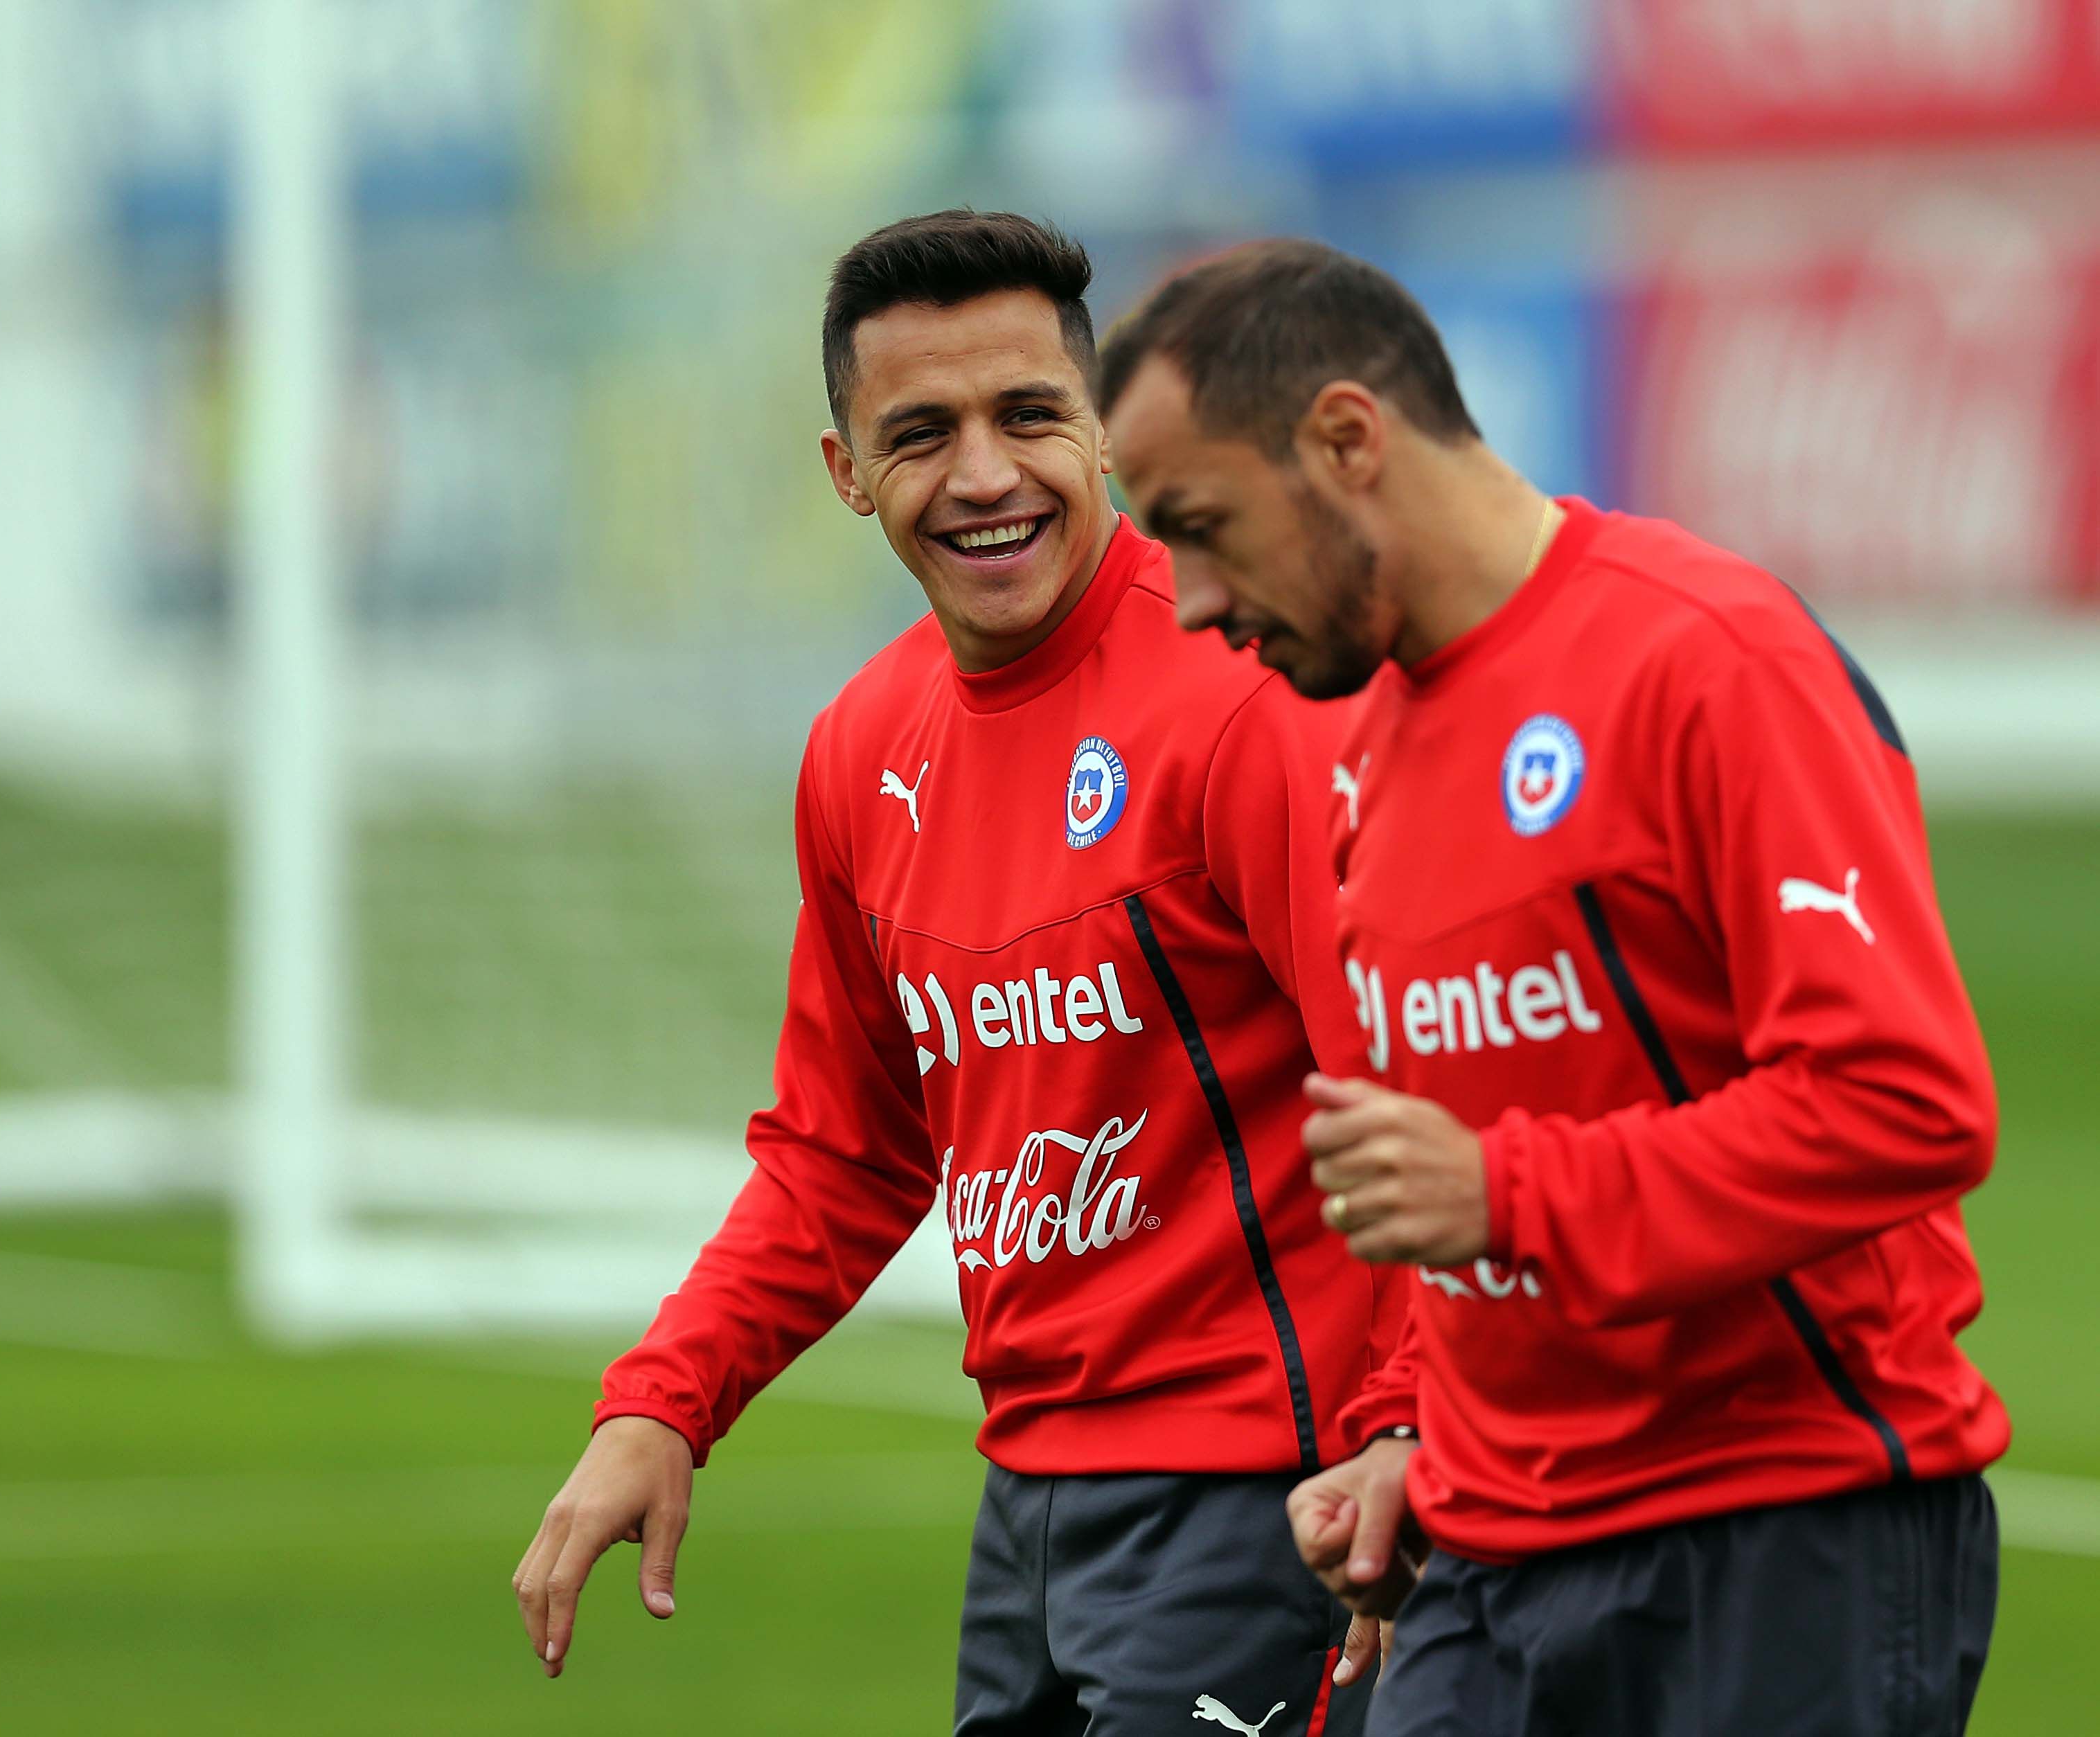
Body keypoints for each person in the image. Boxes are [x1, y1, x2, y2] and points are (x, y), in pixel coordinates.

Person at [513, 211, 1414, 1735]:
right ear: (846, 473)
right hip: (1031, 1511)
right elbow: (843, 1154)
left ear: (1109, 434)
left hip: (1272, 1499)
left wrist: (1403, 1432)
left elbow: (1415, 1085)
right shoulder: (863, 751)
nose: (985, 475)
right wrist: (664, 1400)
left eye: (1030, 417)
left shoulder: (1244, 698)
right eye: (920, 434)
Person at [1097, 238, 2006, 1736]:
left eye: (1204, 526)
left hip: (1777, 1526)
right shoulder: (1363, 743)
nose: (1190, 601)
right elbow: (1460, 1160)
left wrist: (1513, 1192)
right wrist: (1410, 1430)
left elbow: (1905, 1106)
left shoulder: (1709, 661)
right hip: (1487, 1549)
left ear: (1345, 439)